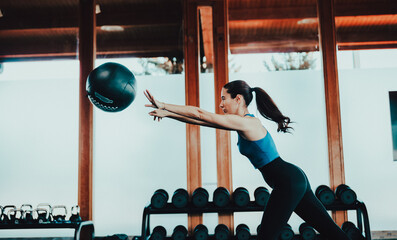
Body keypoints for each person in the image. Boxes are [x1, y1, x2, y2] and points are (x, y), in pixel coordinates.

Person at [144, 80, 350, 240]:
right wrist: (168, 114)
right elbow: (199, 120)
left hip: (288, 182)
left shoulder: (247, 124)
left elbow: (199, 113)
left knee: (266, 236)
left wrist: (163, 103)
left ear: (239, 99)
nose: (220, 103)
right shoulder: (240, 123)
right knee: (329, 230)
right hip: (293, 178)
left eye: (224, 98)